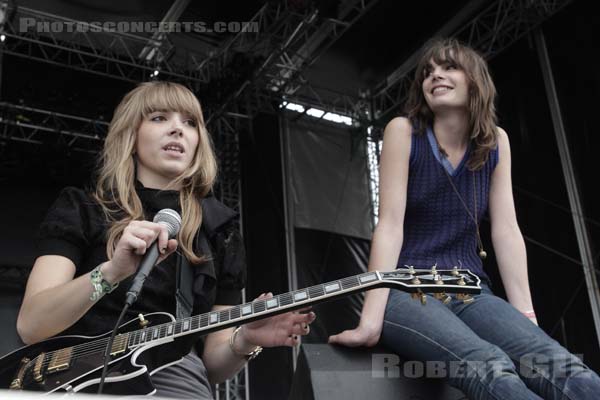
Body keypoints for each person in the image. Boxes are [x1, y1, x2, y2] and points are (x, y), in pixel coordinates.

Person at [328, 38, 600, 399]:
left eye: (448, 67)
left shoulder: (495, 142)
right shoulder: (403, 132)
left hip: (471, 290)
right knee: (487, 365)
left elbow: (506, 230)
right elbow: (389, 227)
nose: (435, 75)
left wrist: (526, 319)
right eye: (428, 72)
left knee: (558, 364)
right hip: (407, 291)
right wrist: (370, 320)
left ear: (475, 80)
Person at [16, 81, 315, 399]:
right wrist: (112, 272)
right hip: (73, 377)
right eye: (159, 117)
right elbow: (32, 325)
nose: (178, 130)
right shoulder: (83, 208)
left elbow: (212, 366)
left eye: (190, 122)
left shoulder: (219, 230)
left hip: (173, 382)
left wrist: (245, 340)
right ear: (131, 135)